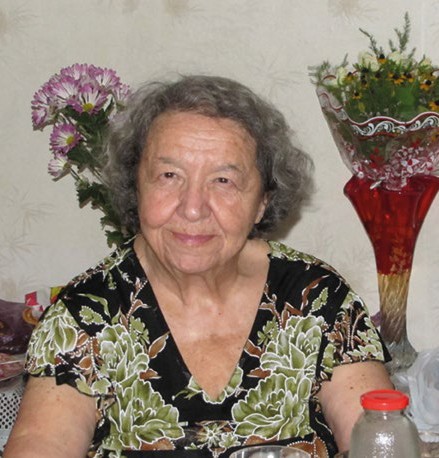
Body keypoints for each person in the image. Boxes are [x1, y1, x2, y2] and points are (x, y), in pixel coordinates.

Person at [4, 75, 393, 458]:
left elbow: (381, 441)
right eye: (169, 176)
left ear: (262, 202)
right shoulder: (85, 314)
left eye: (223, 180)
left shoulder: (317, 299)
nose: (192, 208)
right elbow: (43, 444)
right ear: (136, 187)